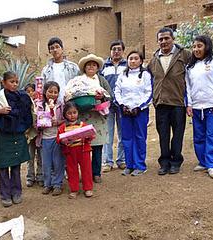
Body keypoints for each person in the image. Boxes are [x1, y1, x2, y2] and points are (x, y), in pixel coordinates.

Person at [0, 71, 32, 207]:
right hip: (3, 137)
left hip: (18, 135)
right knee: (3, 166)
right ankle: (5, 195)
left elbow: (28, 115)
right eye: (11, 81)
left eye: (16, 81)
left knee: (16, 165)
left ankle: (16, 193)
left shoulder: (23, 97)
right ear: (3, 83)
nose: (15, 84)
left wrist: (25, 128)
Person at [148, 27, 191, 175]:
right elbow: (146, 77)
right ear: (157, 41)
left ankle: (176, 161)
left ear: (172, 39)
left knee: (178, 134)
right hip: (161, 103)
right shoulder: (154, 60)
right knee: (163, 135)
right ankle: (164, 162)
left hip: (178, 102)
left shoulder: (184, 55)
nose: (164, 41)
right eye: (161, 39)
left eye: (167, 38)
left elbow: (201, 57)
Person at [185, 35, 213, 179]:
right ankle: (203, 161)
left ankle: (212, 165)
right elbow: (187, 87)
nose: (196, 49)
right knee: (199, 136)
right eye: (194, 47)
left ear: (207, 46)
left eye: (199, 46)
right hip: (197, 107)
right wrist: (189, 105)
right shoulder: (190, 67)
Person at [65, 54, 112, 183]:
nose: (91, 67)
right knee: (82, 146)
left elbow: (110, 95)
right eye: (88, 65)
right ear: (84, 68)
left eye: (94, 65)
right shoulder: (77, 81)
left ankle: (96, 173)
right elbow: (71, 94)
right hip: (83, 117)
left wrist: (101, 97)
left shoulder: (102, 81)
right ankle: (85, 173)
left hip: (98, 117)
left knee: (97, 146)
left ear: (97, 68)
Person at [115, 51, 153, 176]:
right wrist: (122, 105)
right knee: (126, 138)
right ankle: (129, 165)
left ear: (141, 61)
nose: (133, 61)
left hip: (140, 112)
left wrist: (139, 107)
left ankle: (140, 165)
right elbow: (117, 90)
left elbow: (149, 92)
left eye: (136, 58)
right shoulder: (122, 75)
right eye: (130, 58)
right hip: (125, 112)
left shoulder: (146, 75)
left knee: (139, 137)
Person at [57, 102, 94, 198]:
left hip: (83, 151)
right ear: (65, 115)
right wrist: (62, 141)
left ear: (78, 112)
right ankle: (74, 189)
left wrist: (90, 136)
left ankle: (88, 188)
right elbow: (58, 138)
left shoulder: (83, 125)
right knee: (71, 171)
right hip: (70, 152)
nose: (72, 115)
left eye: (74, 112)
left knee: (86, 169)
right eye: (69, 113)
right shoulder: (63, 127)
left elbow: (90, 137)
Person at [101, 40, 127, 172]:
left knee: (123, 133)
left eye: (119, 49)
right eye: (114, 49)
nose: (116, 51)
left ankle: (121, 160)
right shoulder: (104, 66)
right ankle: (107, 161)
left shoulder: (127, 65)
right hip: (108, 105)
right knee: (108, 133)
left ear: (123, 51)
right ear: (110, 51)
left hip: (123, 105)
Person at [37, 81, 65, 195]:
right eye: (50, 91)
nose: (52, 94)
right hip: (45, 138)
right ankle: (47, 184)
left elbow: (66, 119)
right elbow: (36, 122)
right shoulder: (40, 106)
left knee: (58, 162)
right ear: (45, 92)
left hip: (57, 138)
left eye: (55, 92)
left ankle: (57, 184)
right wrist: (40, 125)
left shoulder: (60, 106)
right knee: (46, 163)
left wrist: (58, 122)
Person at [42, 37, 80, 103]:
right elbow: (43, 89)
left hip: (70, 104)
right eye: (52, 48)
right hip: (53, 105)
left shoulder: (73, 67)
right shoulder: (46, 70)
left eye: (57, 47)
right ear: (49, 52)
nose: (55, 50)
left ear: (62, 49)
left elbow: (79, 85)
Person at [24, 83, 43, 187]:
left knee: (40, 156)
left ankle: (40, 176)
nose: (31, 93)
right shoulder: (25, 104)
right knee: (30, 157)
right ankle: (30, 177)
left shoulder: (41, 103)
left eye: (32, 90)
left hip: (40, 134)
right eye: (28, 91)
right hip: (30, 134)